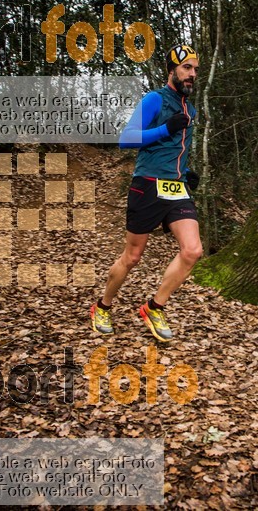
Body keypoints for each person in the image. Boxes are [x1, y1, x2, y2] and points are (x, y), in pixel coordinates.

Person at [90, 44, 202, 342]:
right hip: (148, 185)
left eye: (195, 70)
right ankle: (102, 306)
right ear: (172, 71)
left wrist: (185, 172)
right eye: (186, 68)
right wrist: (165, 129)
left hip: (176, 187)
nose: (192, 75)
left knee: (193, 250)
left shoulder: (190, 108)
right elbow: (126, 140)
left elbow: (176, 150)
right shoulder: (155, 99)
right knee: (132, 256)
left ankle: (154, 307)